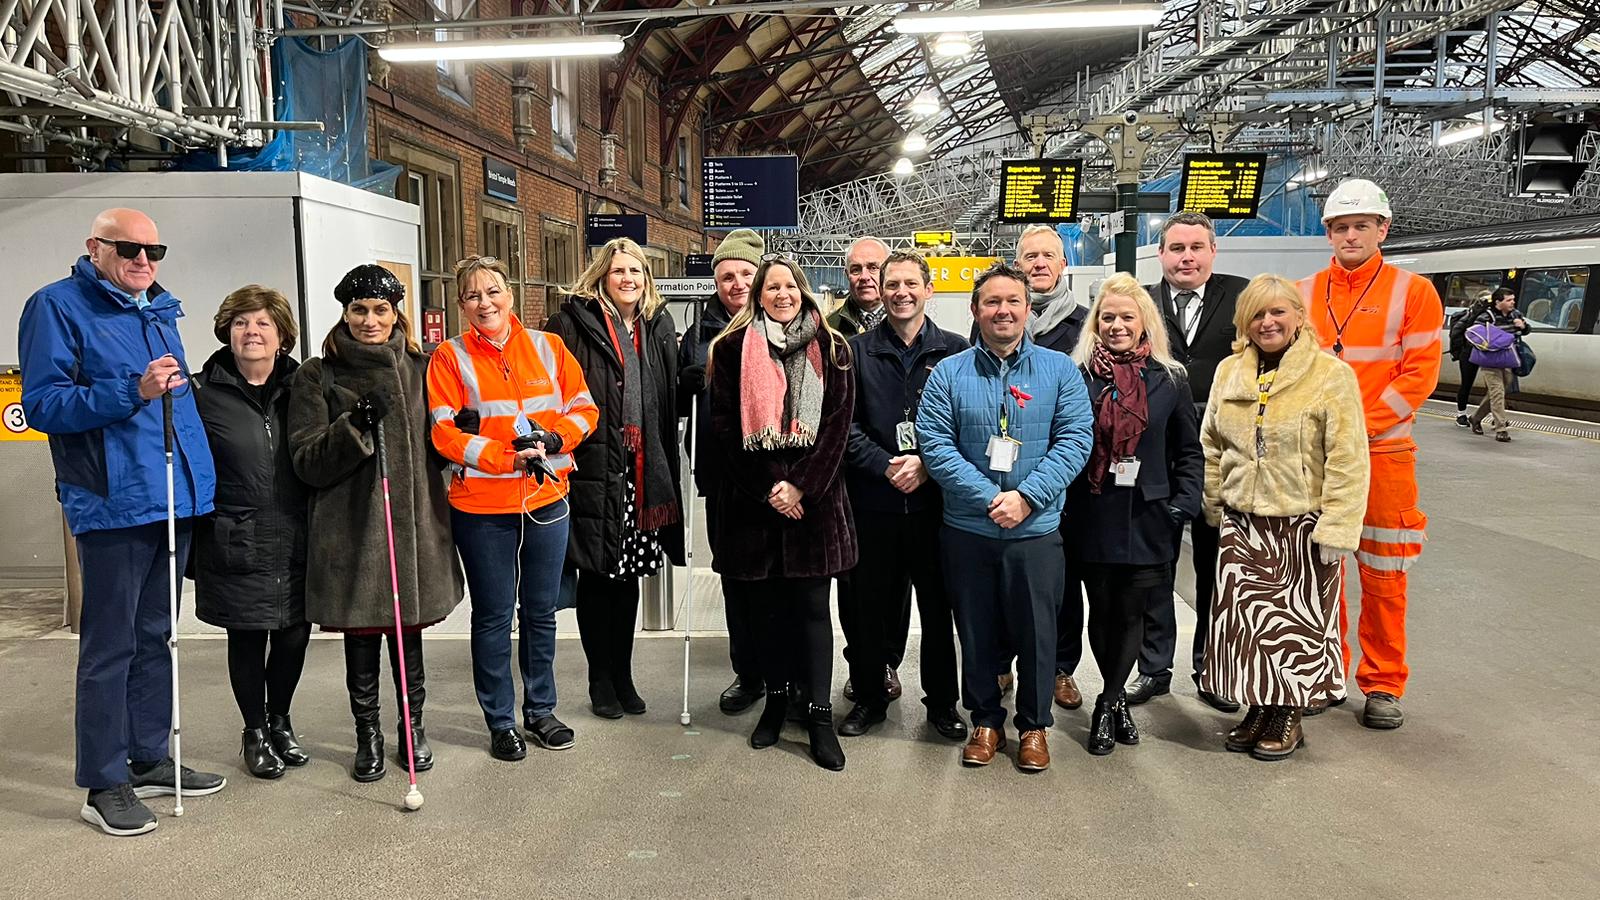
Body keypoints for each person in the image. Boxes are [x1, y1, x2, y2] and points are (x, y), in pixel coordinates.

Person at [19, 208, 224, 836]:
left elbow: (180, 411)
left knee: (158, 636)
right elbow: (43, 404)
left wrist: (201, 486)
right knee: (109, 647)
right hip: (113, 505)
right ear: (95, 247)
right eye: (129, 248)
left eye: (154, 249)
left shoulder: (159, 310)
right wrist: (130, 391)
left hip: (171, 500)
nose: (143, 259)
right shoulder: (56, 306)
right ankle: (103, 783)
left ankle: (148, 756)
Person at [289, 264, 463, 782]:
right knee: (362, 636)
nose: (369, 320)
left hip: (413, 531)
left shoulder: (423, 368)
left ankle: (414, 728)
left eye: (380, 310)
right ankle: (368, 733)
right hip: (353, 532)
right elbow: (307, 461)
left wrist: (460, 431)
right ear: (344, 312)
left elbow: (442, 441)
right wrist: (355, 426)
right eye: (359, 310)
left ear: (396, 314)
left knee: (408, 635)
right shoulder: (317, 375)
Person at [918, 263, 1093, 773]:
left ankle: (1034, 725)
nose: (1003, 311)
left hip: (1035, 532)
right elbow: (935, 444)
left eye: (1013, 302)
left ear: (1028, 310)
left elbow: (1075, 439)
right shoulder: (949, 373)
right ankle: (986, 721)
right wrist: (989, 498)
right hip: (969, 530)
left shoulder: (1060, 371)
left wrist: (1027, 498)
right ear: (975, 311)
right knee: (975, 630)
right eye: (992, 302)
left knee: (1039, 631)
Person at [427, 256, 597, 759]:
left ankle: (541, 711)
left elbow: (585, 409)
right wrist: (507, 458)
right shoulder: (448, 358)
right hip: (481, 508)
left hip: (546, 499)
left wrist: (555, 437)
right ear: (462, 304)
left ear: (511, 293)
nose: (486, 303)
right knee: (494, 616)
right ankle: (501, 721)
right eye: (474, 295)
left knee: (542, 613)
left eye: (494, 291)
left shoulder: (550, 347)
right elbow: (444, 433)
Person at [1200, 275, 1370, 760]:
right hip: (1242, 524)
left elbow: (1347, 457)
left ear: (1298, 315)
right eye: (1257, 314)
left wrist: (1339, 526)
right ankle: (1258, 708)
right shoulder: (1229, 371)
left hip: (1301, 525)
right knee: (1248, 628)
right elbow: (1211, 442)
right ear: (1244, 322)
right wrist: (1215, 499)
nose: (1267, 322)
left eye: (1278, 312)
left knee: (1297, 629)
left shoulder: (1330, 375)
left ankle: (1288, 714)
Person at [1300, 179, 1444, 730]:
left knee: (1384, 571)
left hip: (1383, 454)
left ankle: (1383, 682)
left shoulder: (1415, 291)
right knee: (1321, 567)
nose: (1351, 235)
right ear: (1328, 234)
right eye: (1340, 226)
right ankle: (1326, 671)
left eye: (1361, 225)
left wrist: (1353, 430)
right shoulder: (1306, 291)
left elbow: (1418, 376)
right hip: (1320, 458)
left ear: (1383, 229)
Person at [707, 253, 857, 771]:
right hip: (756, 507)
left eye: (789, 286)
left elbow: (837, 428)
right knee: (765, 614)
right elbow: (724, 428)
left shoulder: (833, 348)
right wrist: (774, 485)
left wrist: (801, 488)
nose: (781, 295)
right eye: (770, 288)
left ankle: (818, 715)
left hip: (814, 507)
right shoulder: (729, 350)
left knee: (814, 613)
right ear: (757, 296)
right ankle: (774, 702)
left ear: (803, 289)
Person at [1064, 274, 1203, 755]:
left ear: (1145, 322)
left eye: (1126, 316)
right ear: (1095, 323)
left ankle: (1106, 702)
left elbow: (1189, 450)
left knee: (1133, 613)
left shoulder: (1170, 379)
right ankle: (1115, 696)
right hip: (1092, 512)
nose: (1117, 325)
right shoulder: (1077, 374)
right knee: (1101, 612)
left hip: (1149, 516)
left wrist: (1181, 506)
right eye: (1108, 317)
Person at [546, 240, 684, 720]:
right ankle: (599, 679)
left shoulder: (657, 326)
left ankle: (623, 675)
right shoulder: (571, 324)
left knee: (627, 580)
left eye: (637, 271)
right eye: (619, 270)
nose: (629, 278)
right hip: (593, 469)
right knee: (597, 577)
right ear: (602, 276)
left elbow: (670, 389)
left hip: (643, 472)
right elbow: (552, 390)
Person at [838, 250, 969, 741]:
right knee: (870, 608)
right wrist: (887, 465)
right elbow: (844, 427)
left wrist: (928, 466)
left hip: (937, 508)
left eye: (911, 283)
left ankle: (942, 704)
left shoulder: (956, 352)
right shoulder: (854, 352)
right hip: (874, 503)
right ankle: (870, 698)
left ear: (928, 290)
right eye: (892, 283)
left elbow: (966, 427)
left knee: (939, 611)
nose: (901, 292)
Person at [192, 286, 310, 780]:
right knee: (246, 637)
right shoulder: (201, 392)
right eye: (241, 323)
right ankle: (254, 730)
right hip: (235, 535)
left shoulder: (305, 386)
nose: (251, 332)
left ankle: (280, 719)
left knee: (294, 636)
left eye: (262, 323)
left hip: (299, 533)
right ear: (227, 332)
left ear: (282, 334)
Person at [1134, 211, 1251, 712]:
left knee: (1217, 568)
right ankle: (1153, 668)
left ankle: (1212, 667)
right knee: (1155, 568)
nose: (1187, 257)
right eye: (1176, 248)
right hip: (1156, 461)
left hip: (1225, 459)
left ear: (1212, 252)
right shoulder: (1142, 302)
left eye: (1196, 247)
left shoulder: (1242, 297)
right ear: (1160, 254)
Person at [677, 229, 767, 714]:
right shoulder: (699, 332)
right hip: (723, 477)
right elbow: (675, 401)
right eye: (726, 275)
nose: (735, 283)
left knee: (777, 579)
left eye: (744, 274)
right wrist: (683, 384)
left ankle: (784, 673)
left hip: (774, 478)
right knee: (733, 577)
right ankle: (747, 671)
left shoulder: (779, 322)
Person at [1002, 225, 1092, 711]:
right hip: (1006, 477)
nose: (1038, 263)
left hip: (1061, 475)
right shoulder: (997, 318)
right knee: (1007, 582)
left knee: (1062, 582)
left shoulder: (1083, 323)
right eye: (1029, 256)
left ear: (1063, 265)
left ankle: (1060, 667)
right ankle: (1004, 665)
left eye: (1047, 256)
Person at [1466, 288, 1528, 443]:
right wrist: (1489, 343)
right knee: (1497, 393)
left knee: (1496, 394)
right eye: (1509, 300)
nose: (1512, 302)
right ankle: (1501, 429)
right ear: (1498, 302)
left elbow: (1526, 331)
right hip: (1490, 362)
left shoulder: (1516, 315)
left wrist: (1523, 326)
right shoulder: (1486, 317)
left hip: (1507, 361)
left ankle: (1475, 418)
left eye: (1513, 299)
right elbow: (1473, 334)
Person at [826, 236, 890, 337]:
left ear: (890, 272)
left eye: (873, 268)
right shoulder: (828, 329)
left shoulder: (909, 324)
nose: (864, 277)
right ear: (847, 275)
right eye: (856, 270)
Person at [1449, 290, 1495, 427]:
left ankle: (1493, 415)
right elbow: (1457, 331)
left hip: (1474, 353)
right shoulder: (1471, 314)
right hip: (1470, 352)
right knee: (1469, 384)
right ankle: (1461, 414)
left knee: (1492, 387)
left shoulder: (1489, 314)